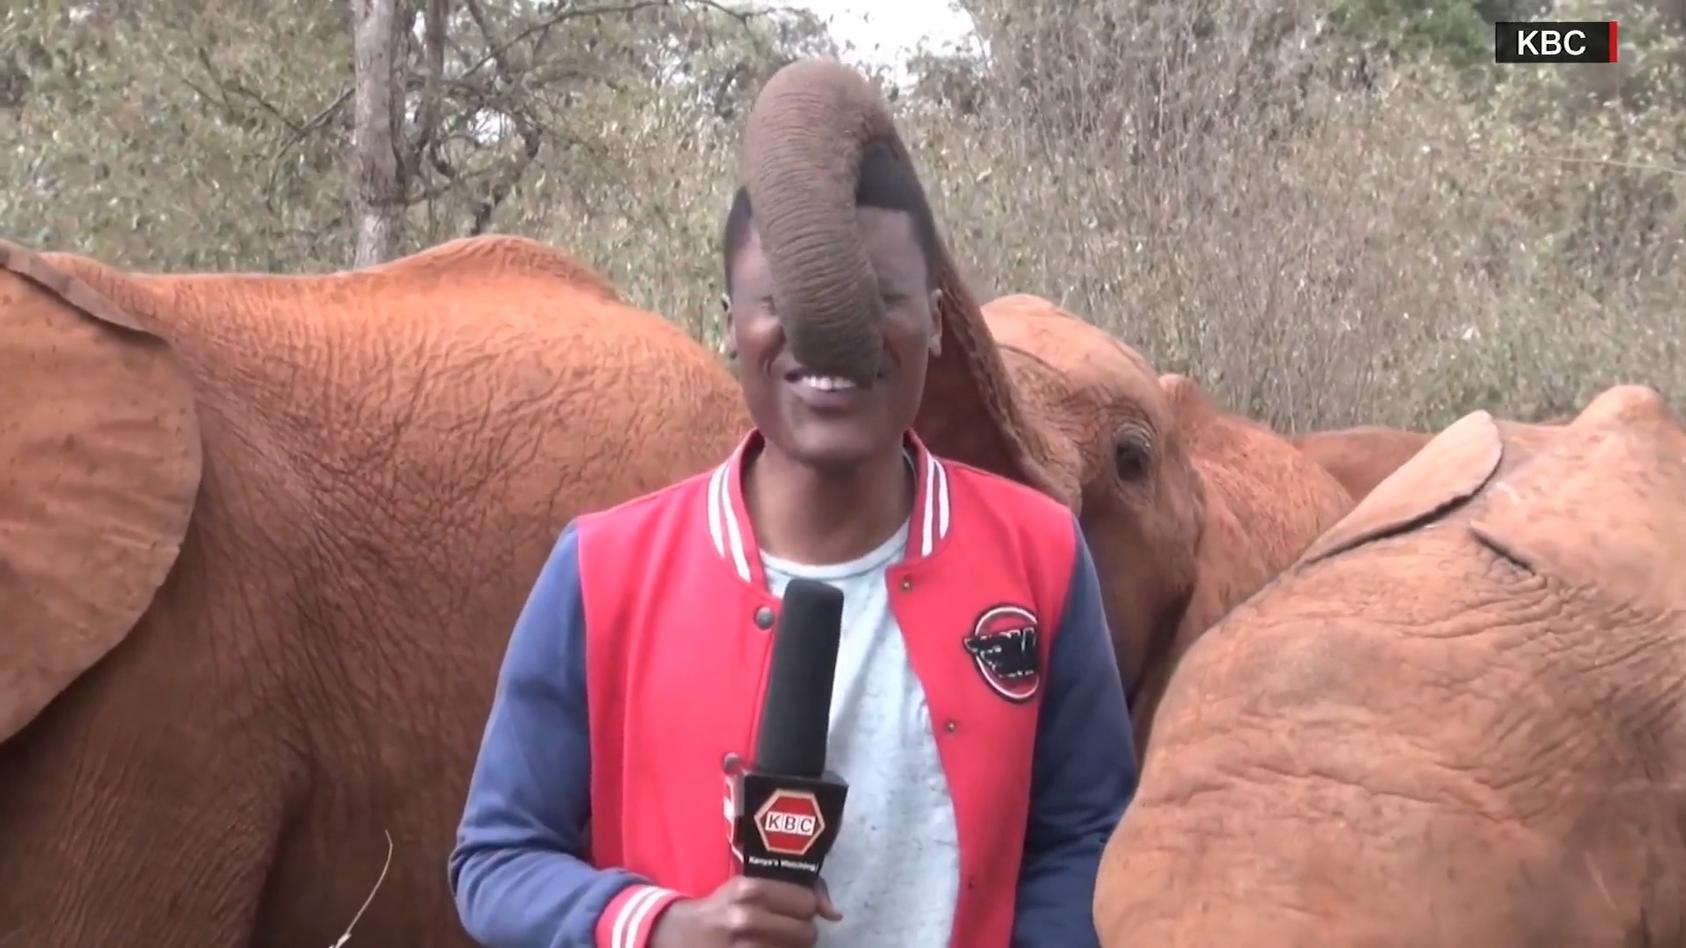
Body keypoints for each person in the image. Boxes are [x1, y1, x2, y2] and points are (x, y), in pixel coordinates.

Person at [447, 143, 1138, 948]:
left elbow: (1085, 836)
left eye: (880, 299)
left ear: (940, 323)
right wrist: (662, 925)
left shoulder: (1039, 555)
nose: (834, 340)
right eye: (785, 300)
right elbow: (496, 859)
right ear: (732, 323)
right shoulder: (603, 571)